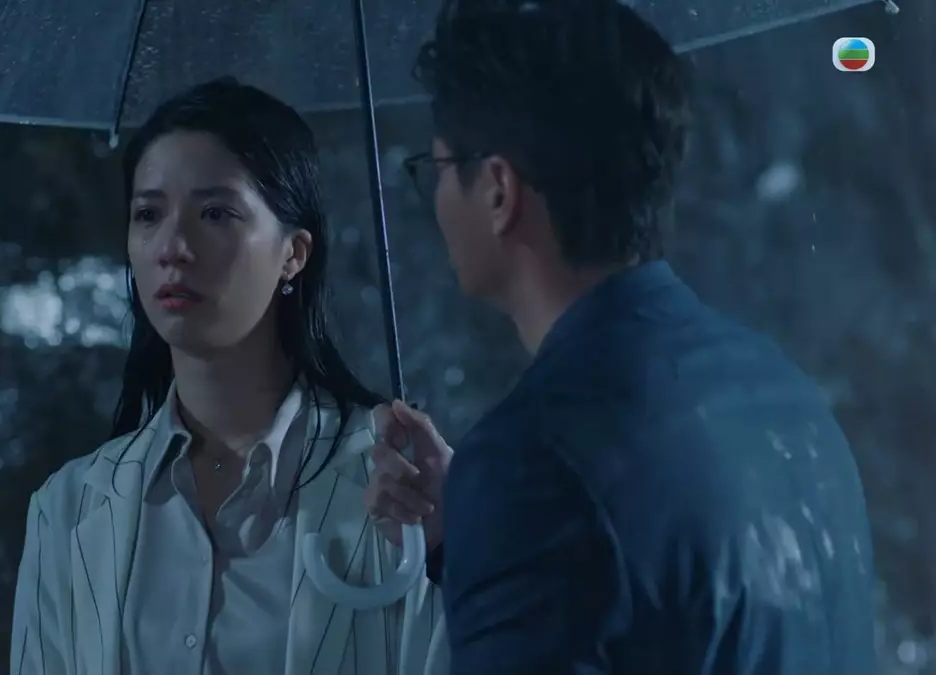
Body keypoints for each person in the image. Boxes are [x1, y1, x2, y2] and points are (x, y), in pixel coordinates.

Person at [362, 0, 878, 673]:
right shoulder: (784, 393)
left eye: (435, 169)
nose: (434, 199)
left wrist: (504, 511)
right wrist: (470, 534)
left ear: (497, 189)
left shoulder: (534, 460)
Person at [10, 78, 449, 675]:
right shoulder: (68, 508)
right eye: (148, 214)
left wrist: (449, 548)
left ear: (293, 253)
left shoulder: (398, 486)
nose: (173, 246)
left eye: (215, 213)